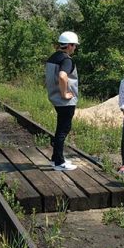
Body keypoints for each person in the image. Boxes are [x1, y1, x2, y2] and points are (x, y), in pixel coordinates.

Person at [44, 31, 79, 171]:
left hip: (54, 98)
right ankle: (59, 162)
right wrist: (64, 94)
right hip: (65, 102)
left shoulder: (53, 57)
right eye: (74, 45)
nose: (75, 48)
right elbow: (63, 76)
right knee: (63, 129)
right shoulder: (66, 60)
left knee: (60, 128)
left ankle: (55, 158)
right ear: (69, 45)